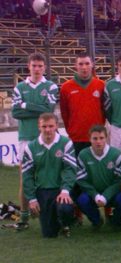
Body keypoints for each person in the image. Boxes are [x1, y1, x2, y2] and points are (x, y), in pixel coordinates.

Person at [10, 53, 58, 231]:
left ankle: (55, 212)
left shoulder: (51, 86)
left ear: (44, 68)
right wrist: (38, 109)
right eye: (34, 66)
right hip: (26, 137)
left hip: (47, 138)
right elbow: (15, 113)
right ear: (28, 67)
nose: (36, 69)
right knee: (25, 178)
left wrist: (25, 105)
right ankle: (23, 217)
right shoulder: (20, 87)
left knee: (52, 175)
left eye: (40, 66)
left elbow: (50, 110)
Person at [22, 113, 76, 238]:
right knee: (49, 234)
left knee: (65, 208)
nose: (47, 130)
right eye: (44, 126)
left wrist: (65, 191)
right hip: (43, 191)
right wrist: (32, 199)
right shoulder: (31, 147)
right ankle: (55, 223)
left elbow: (70, 169)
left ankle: (66, 223)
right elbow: (27, 175)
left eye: (51, 126)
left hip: (61, 189)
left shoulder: (66, 143)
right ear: (39, 127)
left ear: (57, 126)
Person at [75, 125, 121, 228]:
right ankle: (97, 220)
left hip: (112, 193)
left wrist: (106, 196)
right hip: (93, 194)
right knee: (82, 200)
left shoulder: (116, 154)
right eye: (95, 138)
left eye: (101, 138)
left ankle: (116, 221)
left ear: (106, 138)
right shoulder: (83, 155)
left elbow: (119, 180)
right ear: (90, 139)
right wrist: (95, 195)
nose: (98, 141)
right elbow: (81, 180)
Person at [60, 52, 106, 154]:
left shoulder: (101, 85)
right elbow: (64, 113)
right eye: (80, 64)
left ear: (92, 64)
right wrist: (72, 131)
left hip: (97, 137)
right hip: (76, 138)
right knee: (77, 168)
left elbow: (105, 110)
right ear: (75, 66)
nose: (84, 67)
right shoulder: (66, 87)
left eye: (87, 63)